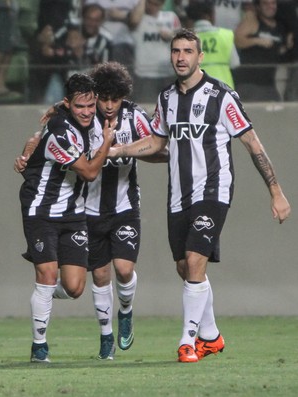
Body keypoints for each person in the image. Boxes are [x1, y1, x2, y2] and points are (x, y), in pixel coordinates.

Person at [108, 29, 291, 363]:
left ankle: (187, 341)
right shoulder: (166, 98)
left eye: (187, 51)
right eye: (176, 51)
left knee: (194, 260)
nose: (181, 57)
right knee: (185, 266)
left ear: (199, 56)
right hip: (178, 195)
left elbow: (252, 143)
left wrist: (276, 191)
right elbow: (156, 143)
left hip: (213, 190)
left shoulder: (222, 96)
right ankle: (211, 335)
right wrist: (116, 149)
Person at [16, 73, 116, 363]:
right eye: (79, 107)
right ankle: (39, 348)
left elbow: (34, 140)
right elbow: (89, 172)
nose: (86, 112)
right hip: (41, 211)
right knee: (47, 274)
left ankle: (43, 295)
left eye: (90, 105)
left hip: (73, 214)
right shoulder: (60, 132)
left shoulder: (89, 120)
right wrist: (107, 142)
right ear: (67, 104)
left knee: (74, 288)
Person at [86, 62, 167, 359]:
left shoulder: (134, 116)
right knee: (100, 275)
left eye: (114, 100)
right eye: (102, 99)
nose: (108, 106)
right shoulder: (84, 116)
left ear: (122, 97)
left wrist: (126, 150)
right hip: (89, 209)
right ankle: (105, 336)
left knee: (124, 268)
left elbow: (158, 147)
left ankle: (126, 311)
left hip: (125, 205)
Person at [234, 0, 292, 101]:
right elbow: (237, 40)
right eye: (266, 3)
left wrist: (287, 46)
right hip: (249, 83)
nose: (270, 6)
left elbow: (279, 51)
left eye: (273, 3)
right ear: (259, 7)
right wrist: (257, 41)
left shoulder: (280, 27)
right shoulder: (252, 21)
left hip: (268, 84)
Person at [132, 0, 181, 103]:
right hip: (145, 72)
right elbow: (133, 21)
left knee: (169, 107)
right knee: (146, 106)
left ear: (162, 4)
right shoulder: (140, 18)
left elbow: (181, 40)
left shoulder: (171, 17)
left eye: (157, 4)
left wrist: (171, 36)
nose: (153, 7)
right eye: (150, 3)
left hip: (168, 71)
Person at [185, 0, 240, 89]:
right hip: (224, 89)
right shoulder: (226, 35)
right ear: (211, 15)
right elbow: (235, 63)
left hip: (196, 89)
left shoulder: (186, 40)